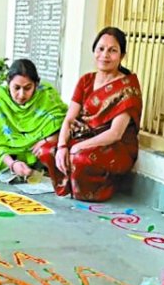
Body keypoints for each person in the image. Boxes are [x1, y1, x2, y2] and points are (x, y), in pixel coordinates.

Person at [37, 27, 143, 201]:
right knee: (46, 150)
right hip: (83, 136)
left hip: (114, 146)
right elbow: (70, 119)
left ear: (122, 56)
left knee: (79, 157)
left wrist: (78, 147)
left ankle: (104, 186)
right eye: (101, 49)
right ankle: (71, 181)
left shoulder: (127, 88)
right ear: (94, 51)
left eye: (112, 50)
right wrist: (63, 146)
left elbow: (115, 134)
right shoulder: (86, 81)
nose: (105, 55)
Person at [0, 59, 68, 178]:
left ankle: (33, 169)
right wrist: (12, 164)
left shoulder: (46, 94)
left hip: (36, 152)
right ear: (8, 83)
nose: (21, 95)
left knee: (52, 149)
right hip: (8, 154)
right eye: (16, 88)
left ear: (36, 84)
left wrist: (47, 140)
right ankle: (1, 165)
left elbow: (66, 123)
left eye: (28, 88)